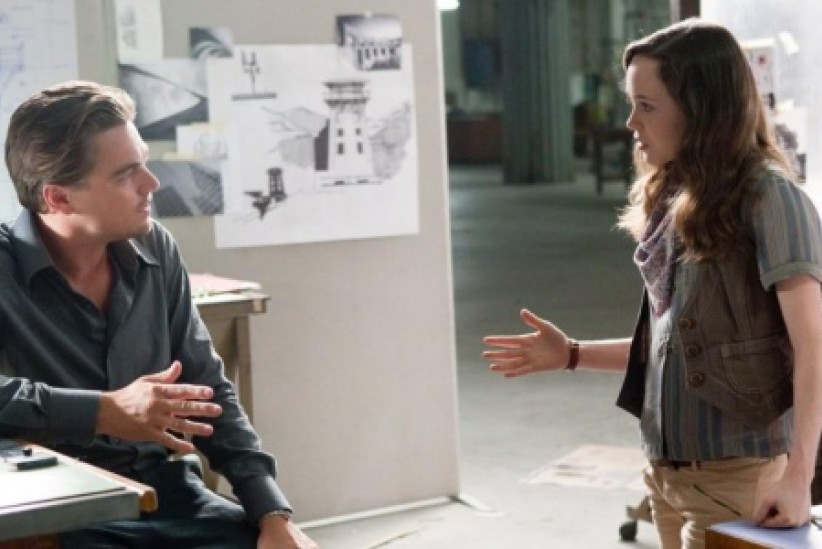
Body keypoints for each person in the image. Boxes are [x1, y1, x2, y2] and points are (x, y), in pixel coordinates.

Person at [483, 18, 822, 549]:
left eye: (647, 105)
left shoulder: (770, 198)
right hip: (666, 477)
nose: (630, 122)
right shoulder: (677, 199)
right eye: (632, 103)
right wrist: (571, 354)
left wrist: (799, 476)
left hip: (737, 480)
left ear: (702, 109)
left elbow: (812, 347)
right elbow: (676, 351)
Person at [0, 81, 317, 548]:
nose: (152, 183)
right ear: (59, 198)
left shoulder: (156, 247)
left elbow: (207, 387)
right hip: (60, 510)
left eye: (144, 163)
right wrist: (101, 412)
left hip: (171, 497)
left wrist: (271, 511)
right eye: (126, 174)